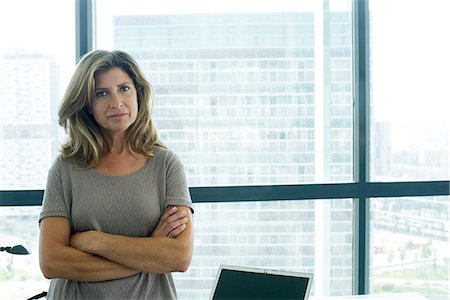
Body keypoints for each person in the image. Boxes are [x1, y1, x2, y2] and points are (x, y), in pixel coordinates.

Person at [39, 50, 194, 300]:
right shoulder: (65, 169)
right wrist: (149, 256)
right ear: (87, 104)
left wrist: (94, 241)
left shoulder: (166, 165)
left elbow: (178, 256)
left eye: (124, 88)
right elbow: (52, 262)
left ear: (139, 94)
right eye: (102, 93)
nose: (116, 102)